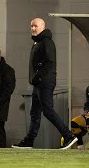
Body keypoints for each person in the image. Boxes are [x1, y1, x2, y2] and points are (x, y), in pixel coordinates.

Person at [11, 18, 77, 149]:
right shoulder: (38, 42)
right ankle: (29, 141)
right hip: (39, 83)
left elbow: (50, 63)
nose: (33, 28)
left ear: (42, 27)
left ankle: (69, 136)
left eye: (35, 26)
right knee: (34, 113)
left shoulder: (47, 42)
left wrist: (38, 77)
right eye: (31, 26)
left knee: (47, 111)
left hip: (44, 82)